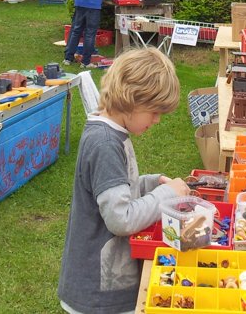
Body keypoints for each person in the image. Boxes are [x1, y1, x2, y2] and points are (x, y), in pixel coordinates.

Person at [57, 47, 190, 314]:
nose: (157, 120)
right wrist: (167, 195)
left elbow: (112, 187)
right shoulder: (105, 144)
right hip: (99, 293)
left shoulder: (110, 133)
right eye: (154, 111)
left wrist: (151, 183)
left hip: (103, 283)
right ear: (131, 99)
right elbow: (121, 218)